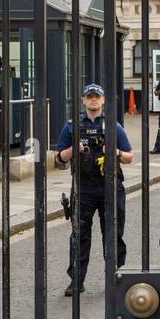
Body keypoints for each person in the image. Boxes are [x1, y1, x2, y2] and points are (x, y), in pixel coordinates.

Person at [55, 83, 134, 296]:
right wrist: (74, 149)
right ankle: (76, 281)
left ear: (103, 100)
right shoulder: (72, 127)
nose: (93, 100)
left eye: (96, 97)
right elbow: (59, 158)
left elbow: (129, 157)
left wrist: (115, 152)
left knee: (112, 234)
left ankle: (114, 278)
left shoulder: (113, 126)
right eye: (89, 97)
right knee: (79, 235)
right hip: (84, 188)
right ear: (83, 100)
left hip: (110, 187)